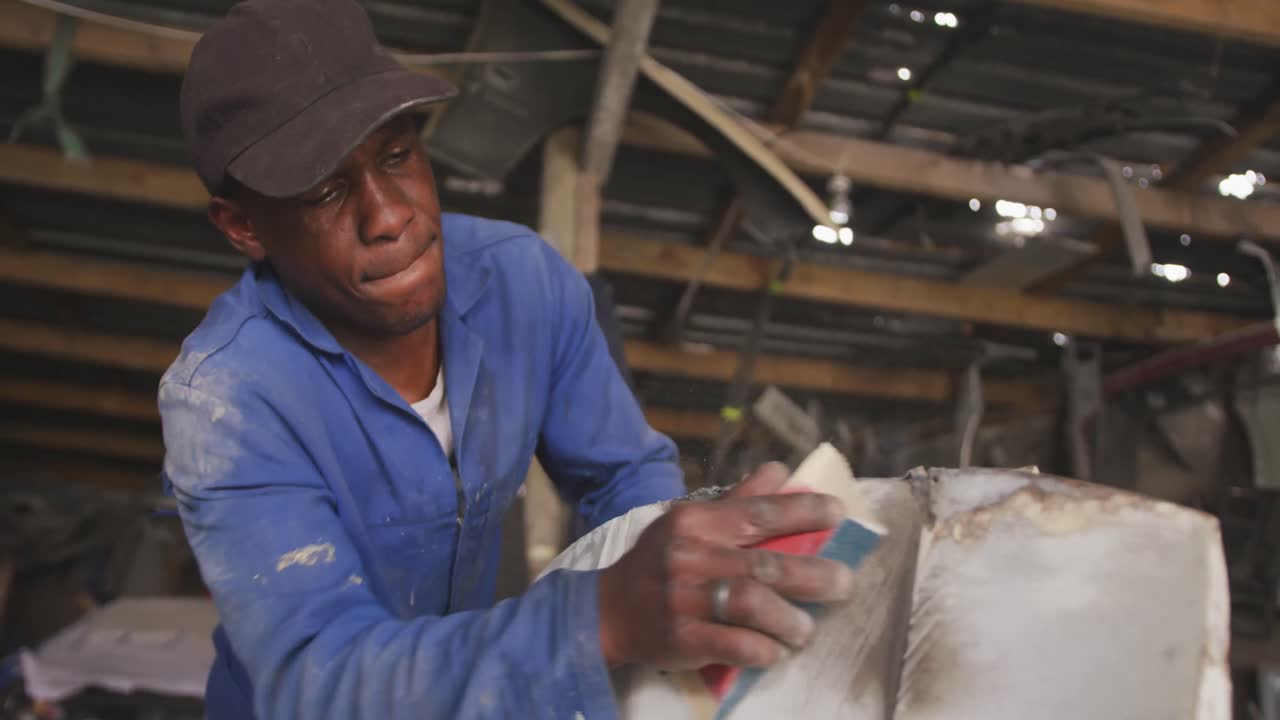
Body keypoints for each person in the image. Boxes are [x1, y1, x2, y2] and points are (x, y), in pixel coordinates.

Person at [159, 0, 856, 717]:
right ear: (243, 226)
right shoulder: (227, 400)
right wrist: (601, 619)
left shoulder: (522, 283)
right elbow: (320, 678)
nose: (389, 216)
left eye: (397, 156)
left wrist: (675, 571)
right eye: (327, 192)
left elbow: (623, 474)